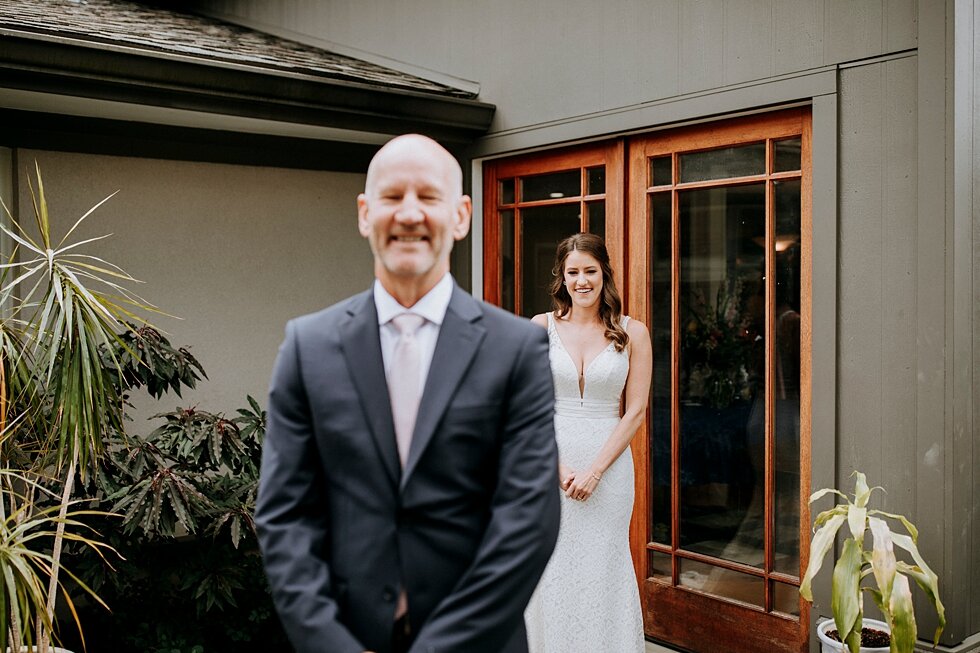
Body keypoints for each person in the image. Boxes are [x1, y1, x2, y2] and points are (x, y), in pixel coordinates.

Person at [255, 134, 561, 653]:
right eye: (393, 196)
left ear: (461, 216)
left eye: (430, 197)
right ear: (364, 213)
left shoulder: (517, 349)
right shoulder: (308, 346)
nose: (410, 214)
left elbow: (527, 521)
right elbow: (284, 517)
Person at [524, 232, 651, 653]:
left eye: (590, 271)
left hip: (609, 468)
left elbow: (634, 411)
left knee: (603, 566)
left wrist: (596, 471)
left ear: (604, 274)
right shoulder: (540, 328)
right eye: (572, 272)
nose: (582, 280)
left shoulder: (633, 333)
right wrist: (557, 468)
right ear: (561, 276)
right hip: (550, 465)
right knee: (551, 567)